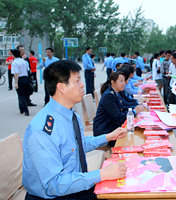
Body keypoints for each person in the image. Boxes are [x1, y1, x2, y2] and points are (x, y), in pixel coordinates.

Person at [23, 60, 127, 200]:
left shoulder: (71, 116)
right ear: (61, 87)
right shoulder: (43, 130)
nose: (83, 85)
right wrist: (102, 174)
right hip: (55, 195)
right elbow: (53, 184)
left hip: (74, 186)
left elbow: (80, 145)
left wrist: (108, 136)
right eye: (77, 81)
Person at [93, 71, 144, 147]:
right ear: (113, 82)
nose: (124, 83)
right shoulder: (109, 96)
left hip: (112, 127)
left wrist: (134, 109)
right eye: (121, 81)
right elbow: (118, 117)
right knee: (132, 141)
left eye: (124, 80)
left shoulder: (116, 93)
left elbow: (123, 107)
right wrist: (134, 111)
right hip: (105, 132)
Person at [11, 49, 31, 116]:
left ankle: (25, 110)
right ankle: (22, 109)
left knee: (21, 95)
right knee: (25, 95)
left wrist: (16, 83)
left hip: (20, 80)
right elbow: (28, 70)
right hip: (26, 79)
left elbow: (16, 74)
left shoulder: (14, 63)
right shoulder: (24, 61)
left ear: (13, 55)